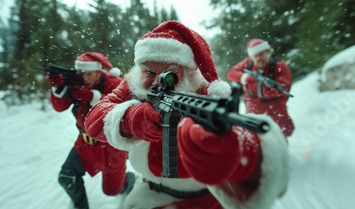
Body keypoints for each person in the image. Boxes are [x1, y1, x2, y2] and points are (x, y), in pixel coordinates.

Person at [84, 21, 289, 209]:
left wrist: (234, 152)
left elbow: (245, 143)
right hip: (150, 194)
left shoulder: (204, 94)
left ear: (189, 72)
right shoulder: (133, 84)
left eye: (170, 74)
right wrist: (130, 118)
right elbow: (93, 121)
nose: (157, 82)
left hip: (206, 199)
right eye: (149, 72)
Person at [47, 52, 135, 209]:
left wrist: (93, 97)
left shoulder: (113, 82)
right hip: (85, 143)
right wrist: (56, 85)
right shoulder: (75, 82)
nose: (85, 78)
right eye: (81, 74)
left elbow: (126, 107)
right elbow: (60, 107)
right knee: (67, 177)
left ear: (98, 71)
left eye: (89, 74)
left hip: (112, 145)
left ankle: (128, 182)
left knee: (112, 190)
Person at [226, 39, 295, 138]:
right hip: (253, 102)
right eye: (256, 56)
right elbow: (231, 73)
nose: (259, 58)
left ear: (268, 52)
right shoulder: (248, 63)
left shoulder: (279, 66)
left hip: (275, 103)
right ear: (251, 57)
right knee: (252, 132)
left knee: (284, 131)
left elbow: (285, 87)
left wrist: (269, 89)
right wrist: (246, 77)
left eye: (261, 54)